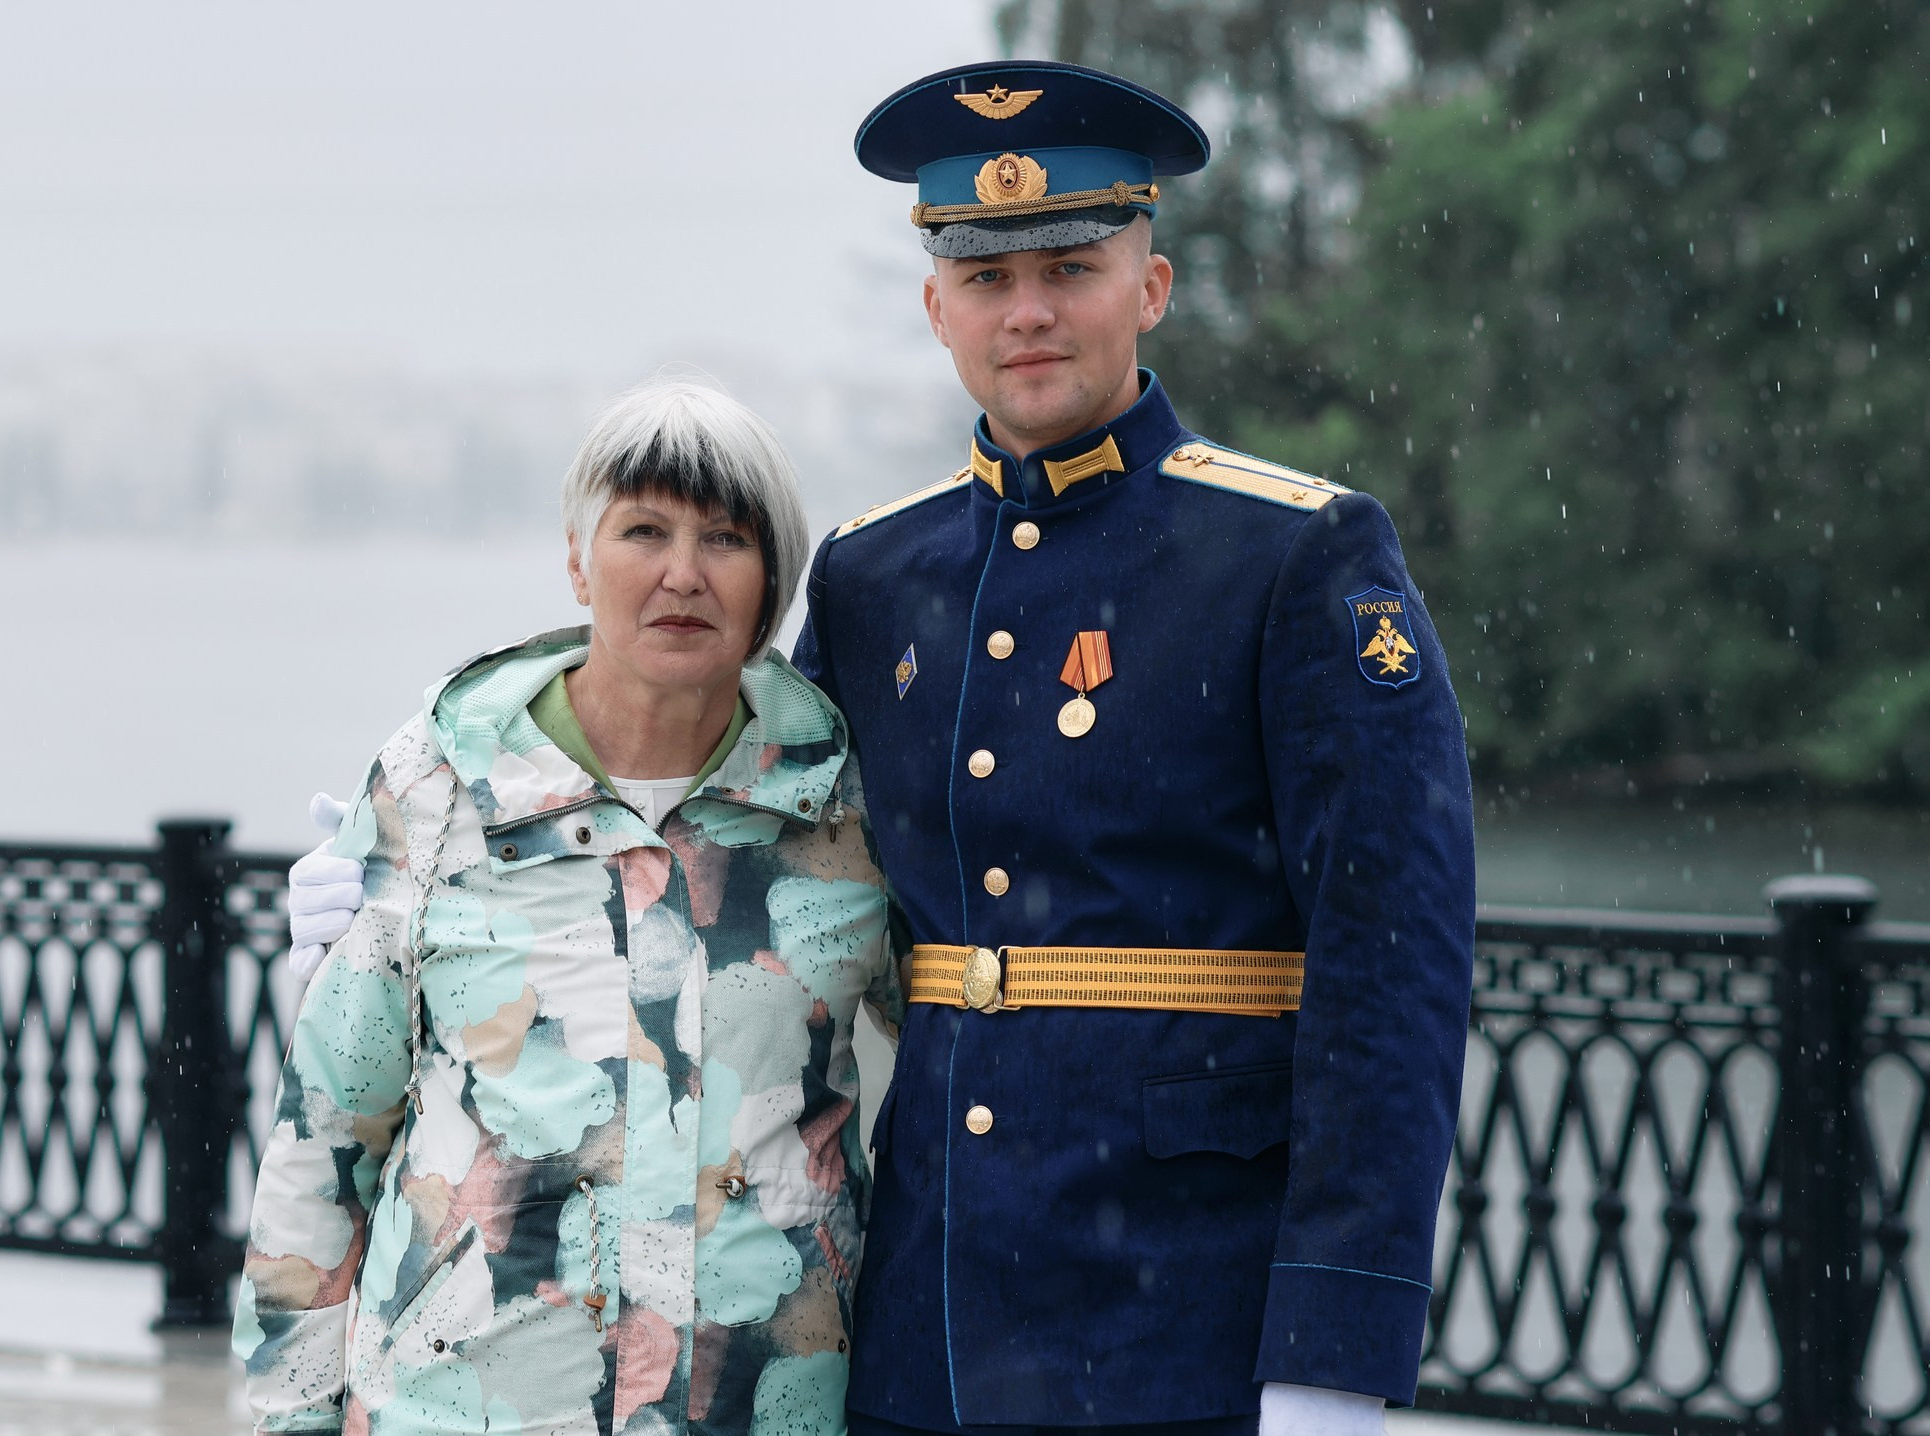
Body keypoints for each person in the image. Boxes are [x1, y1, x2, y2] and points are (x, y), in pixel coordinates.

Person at [290, 58, 1473, 1436]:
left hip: (1185, 1319)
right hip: (929, 1322)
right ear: (936, 307)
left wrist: (1332, 1352)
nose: (1025, 311)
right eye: (983, 279)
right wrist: (407, 881)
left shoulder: (1295, 555)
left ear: (1151, 287)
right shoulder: (875, 574)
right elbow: (726, 826)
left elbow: (1392, 977)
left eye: (1070, 267)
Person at [241, 380, 902, 1434]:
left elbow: (961, 1061)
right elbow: (327, 1133)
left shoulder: (843, 802)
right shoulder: (439, 785)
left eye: (724, 537)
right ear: (577, 557)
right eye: (643, 529)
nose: (681, 572)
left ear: (770, 578)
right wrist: (291, 1411)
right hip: (463, 1406)